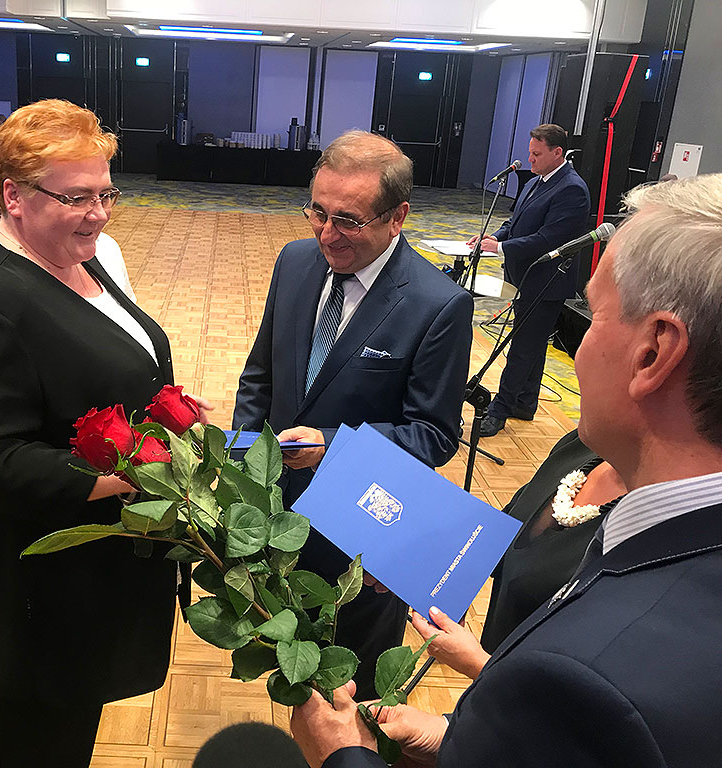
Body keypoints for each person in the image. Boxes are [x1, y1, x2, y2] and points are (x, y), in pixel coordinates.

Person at [290, 172, 722, 768]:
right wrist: (455, 731)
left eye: (592, 315)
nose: (577, 345)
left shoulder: (610, 668)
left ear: (654, 352)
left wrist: (341, 756)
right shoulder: (587, 453)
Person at [0, 98, 205, 768]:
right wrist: (130, 473)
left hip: (87, 588)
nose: (99, 213)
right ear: (13, 196)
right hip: (41, 606)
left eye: (106, 193)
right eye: (77, 197)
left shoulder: (79, 254)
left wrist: (164, 421)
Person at [232, 130, 473, 698]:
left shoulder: (437, 304)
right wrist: (244, 468)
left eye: (348, 220)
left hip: (361, 535)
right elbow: (261, 374)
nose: (326, 233)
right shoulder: (295, 261)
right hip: (275, 515)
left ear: (398, 217)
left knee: (352, 689)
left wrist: (332, 447)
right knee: (291, 671)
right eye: (318, 212)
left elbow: (433, 435)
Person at [392, 428, 626, 681]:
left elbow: (602, 688)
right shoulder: (581, 445)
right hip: (497, 671)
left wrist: (477, 665)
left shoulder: (646, 533)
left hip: (522, 696)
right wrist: (414, 567)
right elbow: (504, 534)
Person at [471, 124, 590, 438]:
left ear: (557, 153)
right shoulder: (536, 181)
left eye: (537, 154)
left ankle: (499, 410)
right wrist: (494, 237)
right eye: (530, 153)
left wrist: (502, 249)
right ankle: (525, 403)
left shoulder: (572, 189)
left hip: (546, 283)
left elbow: (549, 238)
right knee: (532, 345)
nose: (531, 159)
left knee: (523, 348)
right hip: (524, 277)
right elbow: (515, 222)